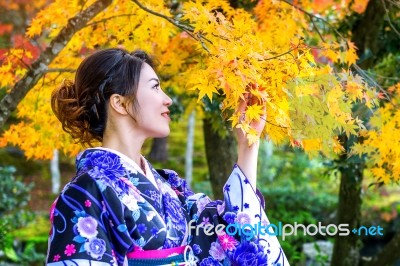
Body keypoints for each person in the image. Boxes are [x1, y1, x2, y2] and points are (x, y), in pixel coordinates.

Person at [46, 48, 289, 266]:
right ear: (120, 103)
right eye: (154, 86)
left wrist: (248, 144)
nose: (167, 99)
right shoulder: (83, 193)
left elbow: (230, 230)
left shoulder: (170, 187)